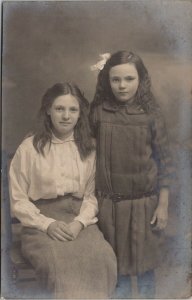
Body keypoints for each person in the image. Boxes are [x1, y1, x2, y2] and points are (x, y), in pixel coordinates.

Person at [9, 82, 117, 299]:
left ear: (80, 114)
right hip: (38, 223)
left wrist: (79, 223)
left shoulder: (88, 148)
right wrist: (47, 224)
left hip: (78, 219)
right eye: (60, 109)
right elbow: (18, 199)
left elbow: (91, 195)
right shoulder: (29, 148)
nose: (66, 116)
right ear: (48, 110)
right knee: (60, 266)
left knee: (103, 257)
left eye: (73, 110)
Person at [89, 51, 174, 298]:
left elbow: (166, 163)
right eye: (116, 80)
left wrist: (163, 206)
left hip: (144, 206)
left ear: (141, 79)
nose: (122, 85)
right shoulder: (98, 113)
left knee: (145, 272)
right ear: (107, 81)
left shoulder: (151, 115)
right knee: (117, 274)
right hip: (109, 207)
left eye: (129, 79)